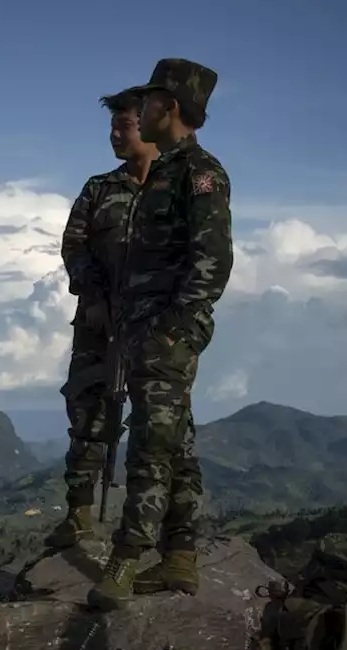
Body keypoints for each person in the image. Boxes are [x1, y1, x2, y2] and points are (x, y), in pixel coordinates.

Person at [87, 58, 232, 611]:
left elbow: (213, 260)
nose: (137, 112)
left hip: (164, 333)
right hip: (143, 329)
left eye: (146, 103)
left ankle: (126, 559)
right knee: (178, 441)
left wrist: (174, 329)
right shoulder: (164, 173)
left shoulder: (199, 173)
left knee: (149, 444)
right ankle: (180, 556)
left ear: (168, 109)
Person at [45, 86, 160, 551]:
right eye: (112, 127)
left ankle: (155, 527)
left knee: (159, 426)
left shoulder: (175, 189)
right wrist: (92, 295)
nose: (114, 135)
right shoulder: (99, 189)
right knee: (87, 412)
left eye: (124, 126)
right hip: (98, 324)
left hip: (155, 326)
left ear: (149, 125)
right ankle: (79, 515)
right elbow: (73, 245)